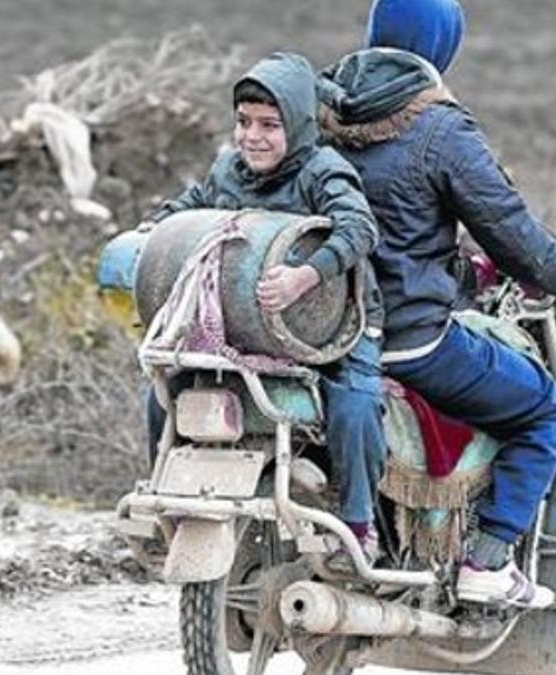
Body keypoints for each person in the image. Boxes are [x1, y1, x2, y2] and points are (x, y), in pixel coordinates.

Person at [318, 0, 556, 607]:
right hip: (408, 338)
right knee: (548, 410)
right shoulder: (440, 128)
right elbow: (517, 240)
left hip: (316, 328)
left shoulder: (316, 106)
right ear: (443, 45)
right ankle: (489, 559)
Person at [141, 52, 386, 567]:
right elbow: (188, 207)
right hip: (247, 326)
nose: (252, 136)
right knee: (163, 390)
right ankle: (164, 497)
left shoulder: (323, 171)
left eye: (270, 126)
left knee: (356, 406)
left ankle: (360, 525)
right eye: (243, 122)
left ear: (296, 126)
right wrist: (154, 232)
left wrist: (306, 275)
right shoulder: (228, 171)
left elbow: (360, 228)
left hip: (334, 325)